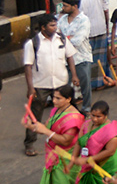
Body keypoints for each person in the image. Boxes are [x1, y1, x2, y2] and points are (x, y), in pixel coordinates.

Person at [23, 84, 85, 184]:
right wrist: (33, 126)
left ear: (69, 99)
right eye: (54, 97)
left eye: (58, 98)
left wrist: (45, 131)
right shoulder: (56, 110)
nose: (54, 101)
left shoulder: (74, 118)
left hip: (65, 160)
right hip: (54, 157)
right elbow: (47, 126)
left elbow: (65, 141)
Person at [22, 15, 80, 157]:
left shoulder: (61, 39)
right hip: (40, 84)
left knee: (67, 111)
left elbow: (70, 57)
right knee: (35, 114)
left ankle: (68, 138)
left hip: (60, 83)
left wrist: (74, 75)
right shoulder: (33, 43)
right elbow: (28, 66)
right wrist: (30, 87)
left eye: (55, 25)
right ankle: (29, 143)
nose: (55, 28)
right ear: (43, 27)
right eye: (52, 26)